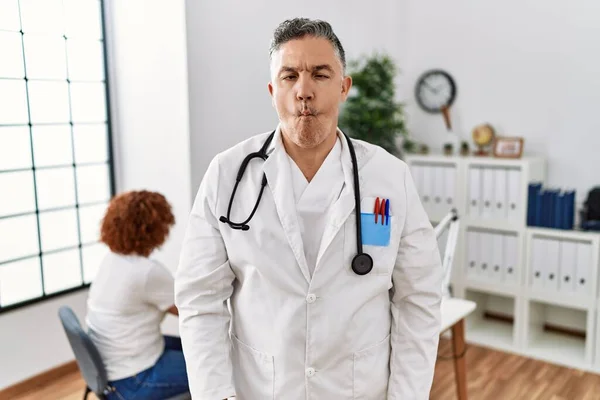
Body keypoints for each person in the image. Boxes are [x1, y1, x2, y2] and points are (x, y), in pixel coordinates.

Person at [175, 17, 442, 399]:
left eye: (320, 74)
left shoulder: (389, 177)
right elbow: (200, 300)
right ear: (272, 90)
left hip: (358, 389)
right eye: (289, 76)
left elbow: (419, 299)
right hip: (261, 388)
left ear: (344, 87)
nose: (304, 90)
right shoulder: (227, 175)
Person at [86, 190, 189, 400]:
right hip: (134, 379)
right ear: (155, 230)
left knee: (192, 346)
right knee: (216, 367)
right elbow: (189, 309)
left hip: (110, 370)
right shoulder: (146, 271)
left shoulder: (111, 260)